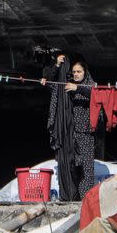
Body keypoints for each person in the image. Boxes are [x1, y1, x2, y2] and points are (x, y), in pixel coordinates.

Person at [42, 54, 97, 200]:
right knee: (71, 166)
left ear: (85, 72)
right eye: (74, 72)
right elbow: (51, 85)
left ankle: (86, 200)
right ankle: (71, 197)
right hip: (69, 134)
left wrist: (77, 88)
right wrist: (57, 66)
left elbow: (96, 94)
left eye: (79, 72)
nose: (76, 74)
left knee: (85, 169)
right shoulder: (67, 85)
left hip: (85, 133)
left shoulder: (91, 85)